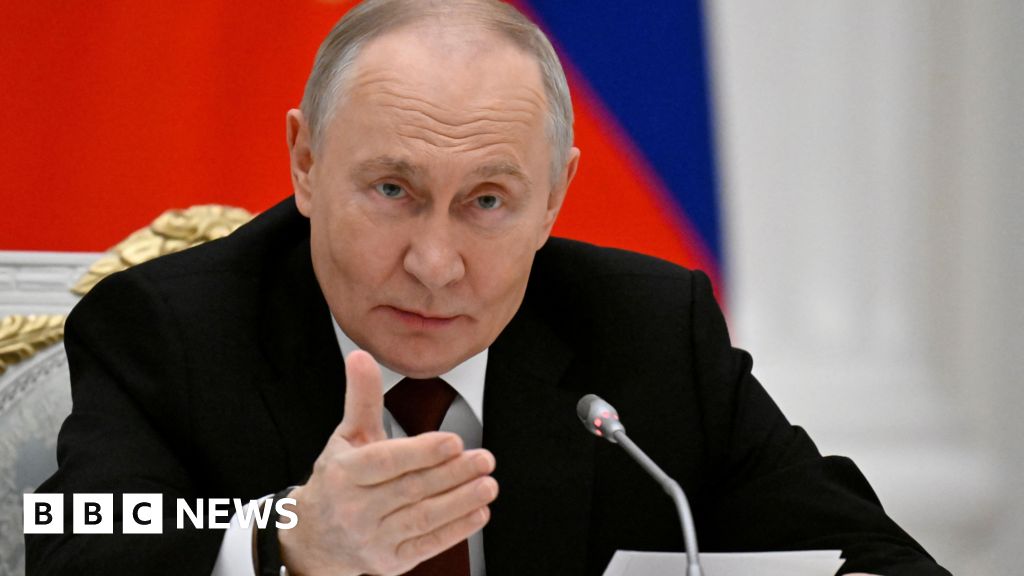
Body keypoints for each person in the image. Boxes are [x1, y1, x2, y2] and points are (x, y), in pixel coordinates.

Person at [27, 1, 950, 575]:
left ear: (555, 198)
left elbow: (870, 554)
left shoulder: (648, 332)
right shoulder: (167, 330)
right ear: (305, 161)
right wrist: (290, 543)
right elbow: (74, 548)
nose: (436, 262)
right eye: (393, 191)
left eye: (487, 202)